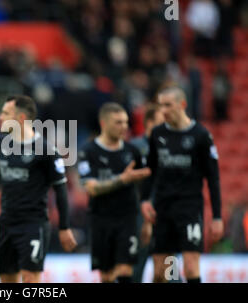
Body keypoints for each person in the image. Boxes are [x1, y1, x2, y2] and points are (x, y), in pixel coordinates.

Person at [0, 95, 77, 283]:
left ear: (21, 118)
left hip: (33, 224)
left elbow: (60, 189)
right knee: (6, 279)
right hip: (6, 223)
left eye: (5, 113)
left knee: (29, 278)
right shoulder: (0, 146)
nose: (0, 117)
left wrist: (64, 227)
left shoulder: (46, 150)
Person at [140, 86, 224, 283]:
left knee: (191, 265)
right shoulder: (158, 134)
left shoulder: (201, 135)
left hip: (189, 208)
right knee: (163, 271)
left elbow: (213, 178)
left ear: (182, 105)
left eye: (168, 105)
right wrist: (145, 199)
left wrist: (217, 216)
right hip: (163, 208)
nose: (163, 110)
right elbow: (150, 169)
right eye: (161, 106)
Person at [78, 102, 151, 283]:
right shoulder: (88, 152)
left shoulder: (132, 152)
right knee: (107, 276)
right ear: (103, 123)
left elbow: (145, 185)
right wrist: (121, 180)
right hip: (100, 219)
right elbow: (91, 188)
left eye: (126, 122)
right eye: (118, 122)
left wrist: (147, 220)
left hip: (127, 219)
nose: (124, 127)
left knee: (125, 271)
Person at [129, 104, 165, 283]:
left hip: (166, 214)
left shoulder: (171, 146)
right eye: (161, 122)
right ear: (149, 123)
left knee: (169, 271)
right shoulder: (134, 147)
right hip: (138, 214)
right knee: (136, 269)